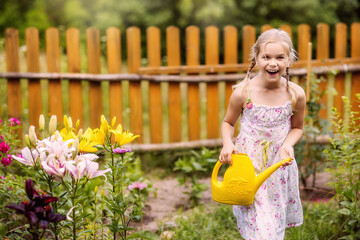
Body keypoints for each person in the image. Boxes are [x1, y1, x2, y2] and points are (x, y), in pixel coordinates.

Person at [219, 29, 305, 240]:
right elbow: (228, 122)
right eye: (266, 57)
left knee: (272, 223)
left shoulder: (295, 94)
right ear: (256, 58)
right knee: (260, 226)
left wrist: (287, 145)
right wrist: (227, 144)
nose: (272, 63)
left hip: (278, 167)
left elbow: (297, 128)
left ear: (289, 60)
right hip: (250, 165)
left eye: (279, 57)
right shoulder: (243, 92)